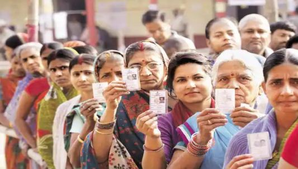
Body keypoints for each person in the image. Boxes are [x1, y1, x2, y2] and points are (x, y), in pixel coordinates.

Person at [168, 49, 264, 169]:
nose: (233, 85)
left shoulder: (272, 122)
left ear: (261, 87)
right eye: (223, 79)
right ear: (215, 87)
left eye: (243, 78)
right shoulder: (203, 123)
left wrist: (263, 128)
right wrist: (201, 141)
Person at [80, 41, 169, 168]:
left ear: (166, 67)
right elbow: (99, 155)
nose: (145, 73)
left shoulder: (182, 97)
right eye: (136, 67)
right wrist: (111, 108)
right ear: (127, 71)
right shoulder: (120, 102)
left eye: (153, 65)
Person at [136, 51, 214, 168]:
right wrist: (153, 138)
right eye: (181, 80)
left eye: (197, 78)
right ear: (172, 87)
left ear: (212, 80)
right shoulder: (165, 123)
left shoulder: (229, 115)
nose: (190, 85)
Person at [224, 49, 298, 169]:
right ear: (264, 88)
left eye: (296, 82)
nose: (286, 92)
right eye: (277, 83)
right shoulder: (243, 140)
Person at [37, 49, 78, 169]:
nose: (58, 74)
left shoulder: (92, 95)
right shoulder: (49, 101)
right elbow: (46, 139)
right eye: (53, 70)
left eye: (63, 68)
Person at [0, 52, 27, 169]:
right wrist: (14, 125)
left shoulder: (36, 82)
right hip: (13, 133)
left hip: (32, 134)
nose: (19, 67)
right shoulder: (3, 82)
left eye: (22, 63)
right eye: (15, 63)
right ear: (10, 63)